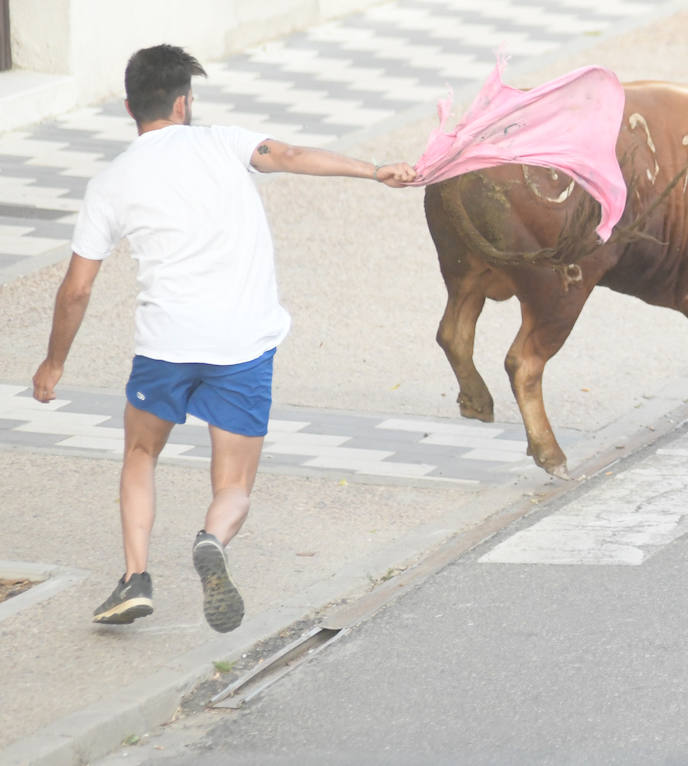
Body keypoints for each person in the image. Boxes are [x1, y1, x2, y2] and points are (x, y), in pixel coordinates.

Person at [30, 44, 417, 632]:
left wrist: (53, 363)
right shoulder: (224, 143)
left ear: (130, 107)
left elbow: (76, 290)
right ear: (183, 103)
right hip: (242, 344)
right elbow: (292, 155)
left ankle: (135, 578)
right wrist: (374, 170)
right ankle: (212, 539)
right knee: (234, 484)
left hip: (165, 346)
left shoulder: (109, 182)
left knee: (140, 454)